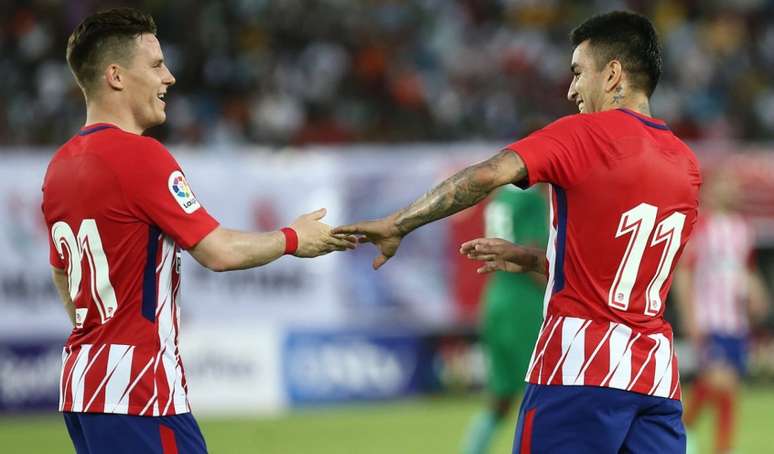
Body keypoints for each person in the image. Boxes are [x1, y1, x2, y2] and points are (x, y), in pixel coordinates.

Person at [334, 10, 701, 453]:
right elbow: (627, 274)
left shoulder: (585, 135)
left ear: (612, 75)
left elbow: (487, 175)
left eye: (578, 73)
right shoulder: (686, 163)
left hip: (578, 370)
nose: (571, 90)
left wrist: (398, 224)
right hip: (654, 378)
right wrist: (533, 259)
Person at [42, 8, 355, 454]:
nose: (168, 78)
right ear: (115, 76)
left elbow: (61, 273)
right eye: (155, 65)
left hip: (82, 385)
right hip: (138, 392)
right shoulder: (141, 157)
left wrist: (99, 332)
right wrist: (293, 238)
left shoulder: (59, 167)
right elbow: (218, 251)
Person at [673, 169, 769, 454]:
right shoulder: (700, 225)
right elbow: (685, 272)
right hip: (708, 317)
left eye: (735, 185)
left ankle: (684, 434)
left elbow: (745, 272)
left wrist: (757, 294)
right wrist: (690, 315)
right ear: (713, 189)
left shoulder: (742, 229)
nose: (732, 189)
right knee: (721, 382)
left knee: (725, 387)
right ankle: (709, 444)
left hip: (735, 321)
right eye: (726, 183)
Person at [461, 186, 548, 454]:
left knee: (501, 398)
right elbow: (531, 254)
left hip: (496, 300)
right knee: (546, 395)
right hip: (525, 305)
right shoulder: (532, 201)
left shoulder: (502, 197)